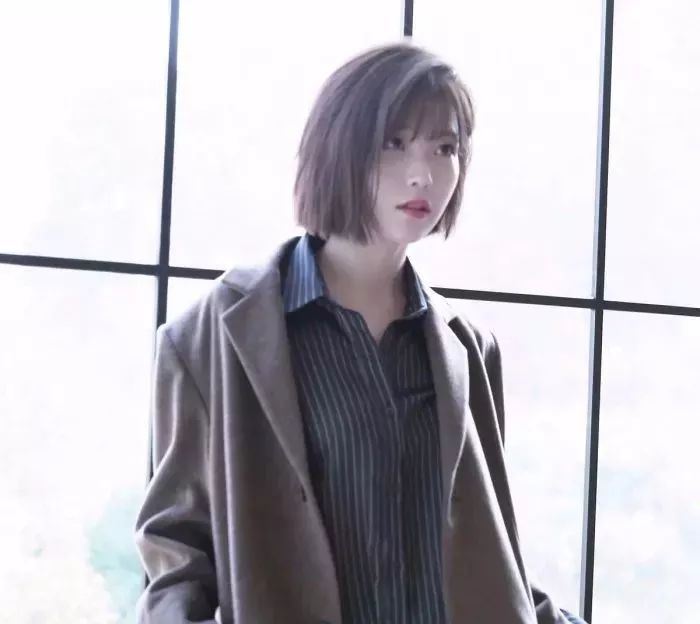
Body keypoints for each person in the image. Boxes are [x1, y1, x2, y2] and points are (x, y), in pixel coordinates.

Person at [134, 41, 588, 624]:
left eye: (444, 148)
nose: (423, 173)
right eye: (394, 143)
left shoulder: (466, 349)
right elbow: (175, 560)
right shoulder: (212, 339)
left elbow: (494, 563)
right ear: (338, 148)